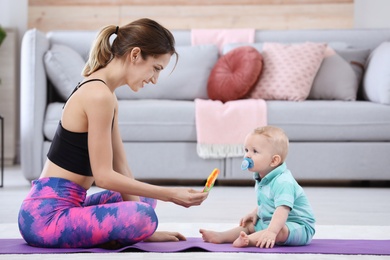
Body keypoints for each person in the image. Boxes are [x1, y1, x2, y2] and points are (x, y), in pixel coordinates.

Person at [18, 18, 208, 249]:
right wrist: (170, 194)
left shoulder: (106, 93)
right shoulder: (98, 95)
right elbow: (104, 177)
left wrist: (144, 232)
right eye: (156, 68)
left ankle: (137, 225)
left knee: (145, 203)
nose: (155, 79)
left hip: (71, 205)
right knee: (142, 215)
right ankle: (136, 224)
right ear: (135, 54)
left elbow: (121, 168)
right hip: (43, 219)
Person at [199, 126, 315, 248]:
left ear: (274, 161)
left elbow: (282, 210)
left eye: (254, 151)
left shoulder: (283, 182)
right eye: (246, 150)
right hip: (275, 221)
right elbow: (268, 200)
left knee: (278, 231)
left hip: (299, 227)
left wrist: (271, 232)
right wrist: (255, 212)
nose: (247, 155)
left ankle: (249, 240)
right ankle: (221, 236)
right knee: (250, 224)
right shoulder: (261, 176)